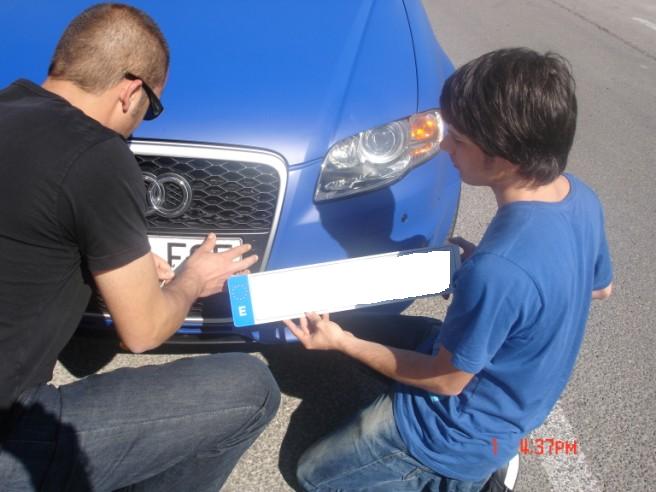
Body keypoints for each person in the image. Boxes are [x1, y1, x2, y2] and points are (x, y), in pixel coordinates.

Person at [284, 48, 613, 491]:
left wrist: (344, 343)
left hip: (457, 431)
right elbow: (601, 288)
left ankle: (467, 476)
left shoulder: (499, 269)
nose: (444, 147)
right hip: (514, 389)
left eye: (457, 140)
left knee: (312, 474)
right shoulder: (580, 197)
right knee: (382, 334)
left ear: (502, 160)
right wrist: (498, 284)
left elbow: (445, 380)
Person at [0, 4, 279, 490]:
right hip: (9, 432)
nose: (140, 124)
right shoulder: (98, 154)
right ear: (131, 91)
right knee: (252, 389)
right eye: (152, 109)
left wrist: (101, 259)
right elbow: (143, 333)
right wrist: (193, 279)